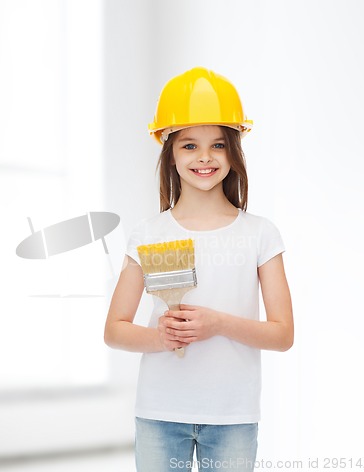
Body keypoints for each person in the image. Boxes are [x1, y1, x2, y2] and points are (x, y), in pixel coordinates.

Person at [104, 66, 293, 472]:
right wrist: (162, 337)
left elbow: (282, 335)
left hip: (233, 416)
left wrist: (218, 324)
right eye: (189, 145)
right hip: (159, 412)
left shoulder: (260, 233)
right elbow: (115, 329)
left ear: (234, 152)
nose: (204, 157)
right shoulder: (150, 233)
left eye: (218, 145)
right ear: (169, 153)